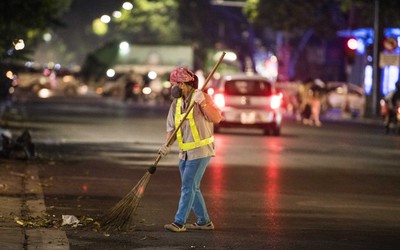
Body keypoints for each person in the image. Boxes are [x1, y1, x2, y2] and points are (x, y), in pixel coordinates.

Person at [158, 67, 222, 232]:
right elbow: (171, 128)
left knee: (188, 186)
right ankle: (204, 221)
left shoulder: (202, 97)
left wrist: (203, 103)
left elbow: (217, 118)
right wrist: (166, 146)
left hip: (201, 151)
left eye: (177, 83)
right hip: (184, 153)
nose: (174, 87)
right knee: (192, 187)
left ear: (185, 84)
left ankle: (179, 222)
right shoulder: (176, 104)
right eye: (173, 83)